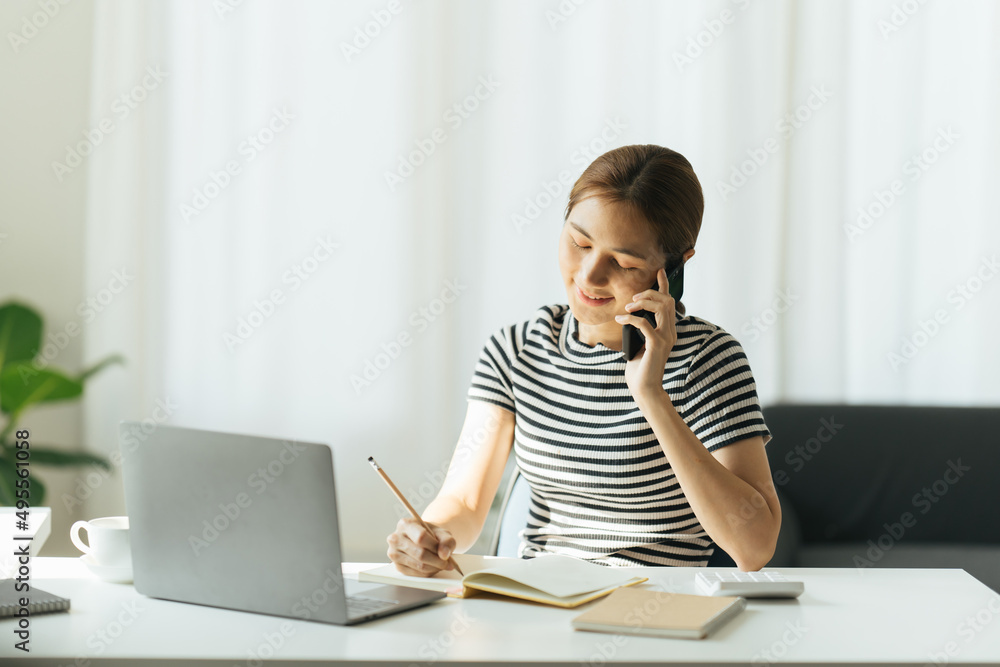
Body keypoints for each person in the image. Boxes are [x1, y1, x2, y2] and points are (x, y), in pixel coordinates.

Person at [386, 144, 780, 575]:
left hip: (654, 613)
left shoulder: (709, 359)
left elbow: (754, 547)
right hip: (539, 604)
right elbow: (463, 501)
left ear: (675, 268)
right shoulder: (517, 349)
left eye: (624, 262)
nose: (589, 275)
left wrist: (650, 395)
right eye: (580, 242)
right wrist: (432, 534)